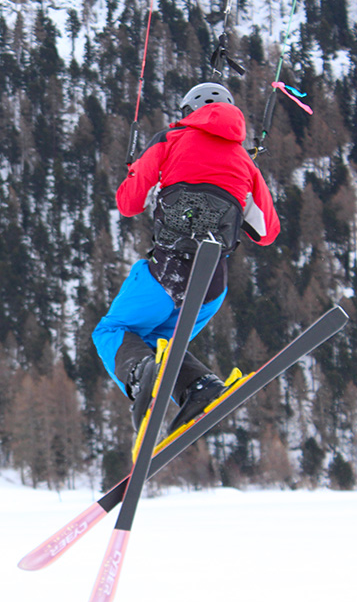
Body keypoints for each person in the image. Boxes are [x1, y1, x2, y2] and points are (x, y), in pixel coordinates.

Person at [93, 82, 280, 432]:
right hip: (212, 286)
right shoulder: (245, 162)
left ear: (187, 113)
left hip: (166, 274)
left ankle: (138, 374)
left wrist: (136, 170)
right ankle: (200, 386)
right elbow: (267, 232)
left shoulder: (170, 140)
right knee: (157, 343)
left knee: (113, 330)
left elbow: (128, 203)